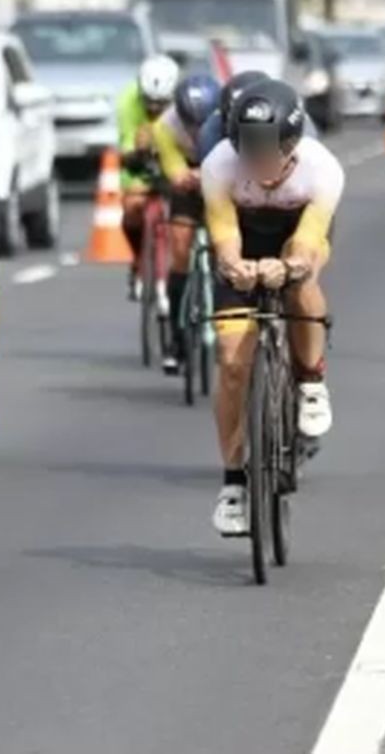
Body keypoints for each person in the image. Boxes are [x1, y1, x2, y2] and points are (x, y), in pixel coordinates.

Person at [201, 79, 343, 536]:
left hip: (296, 235)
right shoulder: (219, 165)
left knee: (301, 282)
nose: (258, 162)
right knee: (231, 359)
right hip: (245, 239)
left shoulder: (322, 170)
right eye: (249, 150)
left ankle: (312, 381)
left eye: (268, 152)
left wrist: (291, 264)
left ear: (292, 145)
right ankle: (234, 482)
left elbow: (308, 240)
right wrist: (235, 266)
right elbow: (224, 236)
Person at [152, 73, 221, 374]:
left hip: (218, 181)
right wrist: (183, 176)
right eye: (189, 123)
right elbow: (173, 169)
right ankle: (177, 339)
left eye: (201, 123)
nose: (195, 130)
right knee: (180, 248)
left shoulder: (225, 123)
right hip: (186, 186)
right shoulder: (165, 126)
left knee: (225, 250)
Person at [116, 54, 182, 299]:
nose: (154, 110)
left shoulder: (182, 104)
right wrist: (139, 151)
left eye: (161, 103)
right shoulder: (127, 102)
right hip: (139, 157)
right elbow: (127, 152)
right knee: (133, 206)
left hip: (174, 154)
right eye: (149, 103)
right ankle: (137, 259)